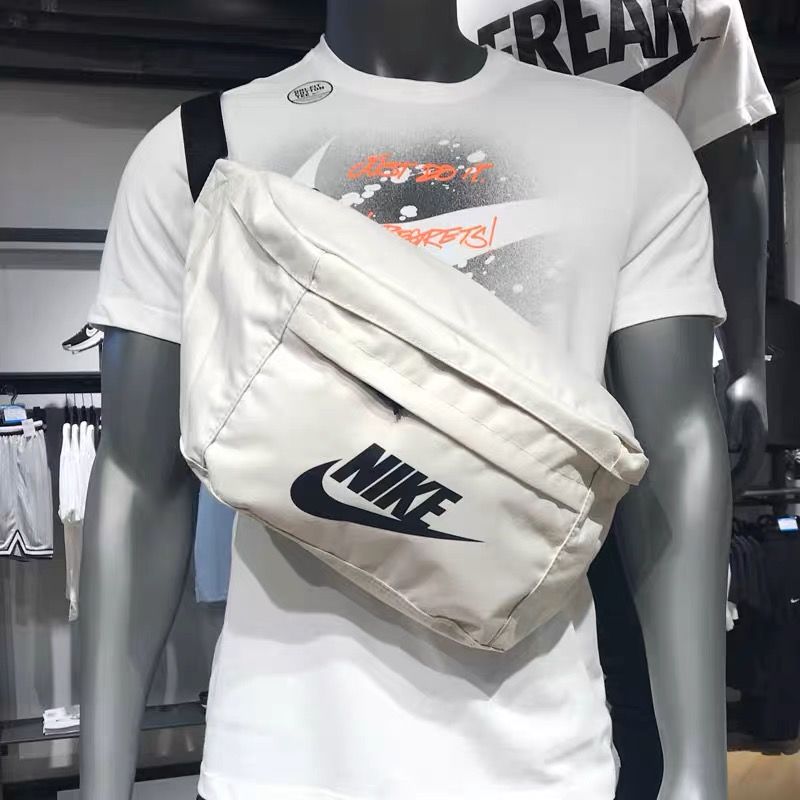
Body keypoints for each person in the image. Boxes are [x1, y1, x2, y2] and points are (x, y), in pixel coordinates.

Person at [80, 2, 732, 798]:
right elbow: (137, 482)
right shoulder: (195, 152)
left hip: (542, 766)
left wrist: (697, 772)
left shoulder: (628, 142)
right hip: (277, 768)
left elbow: (680, 448)